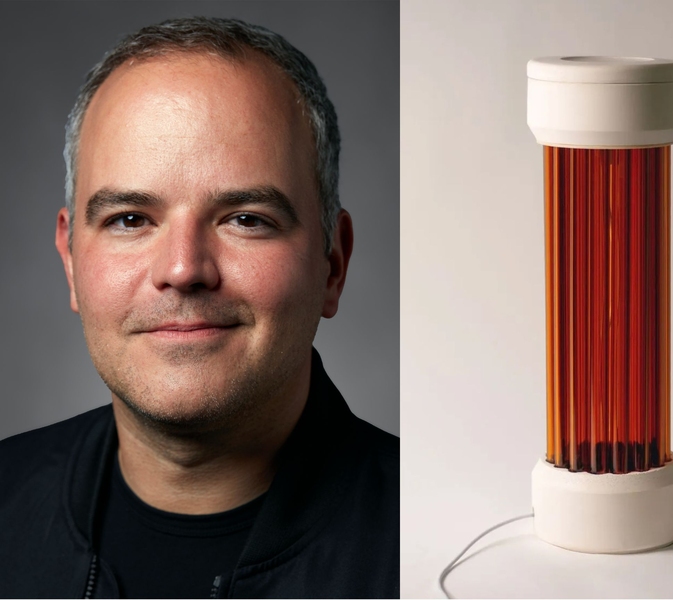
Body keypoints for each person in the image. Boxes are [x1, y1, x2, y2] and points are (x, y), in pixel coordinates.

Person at [0, 16, 398, 599]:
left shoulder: (432, 547)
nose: (184, 269)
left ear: (331, 263)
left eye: (246, 219)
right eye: (130, 219)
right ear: (70, 262)